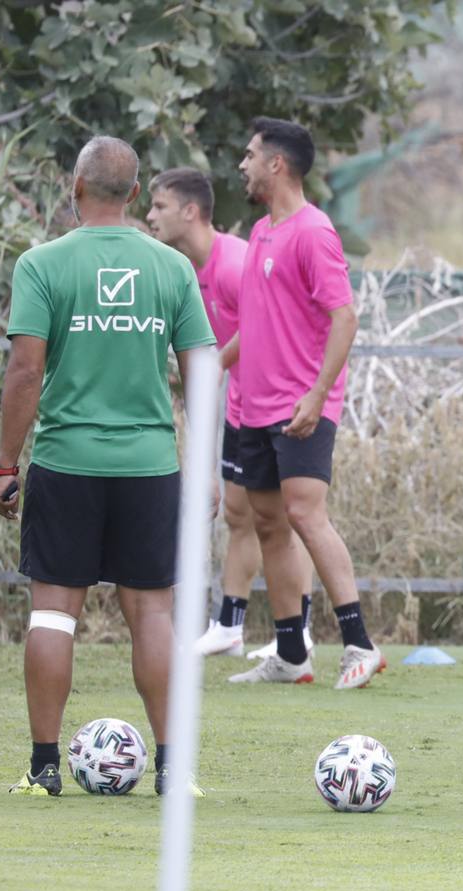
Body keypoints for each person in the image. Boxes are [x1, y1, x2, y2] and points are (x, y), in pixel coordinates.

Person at [0, 136, 217, 796]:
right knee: (153, 616)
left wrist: (7, 463)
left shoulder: (43, 263)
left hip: (67, 462)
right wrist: (202, 463)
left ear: (76, 187)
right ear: (136, 195)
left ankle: (43, 768)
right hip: (149, 467)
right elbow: (202, 366)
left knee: (53, 614)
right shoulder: (170, 268)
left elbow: (25, 369)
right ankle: (174, 769)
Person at [221, 117, 383, 688]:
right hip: (255, 407)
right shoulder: (263, 231)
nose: (241, 164)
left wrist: (317, 396)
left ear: (276, 164)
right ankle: (292, 655)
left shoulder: (313, 231)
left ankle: (360, 644)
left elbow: (346, 317)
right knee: (268, 522)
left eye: (249, 154)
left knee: (305, 514)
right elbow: (257, 323)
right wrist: (210, 365)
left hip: (301, 405)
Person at [146, 167, 317, 659]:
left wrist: (213, 365)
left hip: (273, 406)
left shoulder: (233, 261)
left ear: (191, 211)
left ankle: (299, 632)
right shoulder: (188, 270)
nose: (151, 215)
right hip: (239, 407)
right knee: (239, 515)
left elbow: (263, 324)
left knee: (287, 519)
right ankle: (229, 625)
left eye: (159, 206)